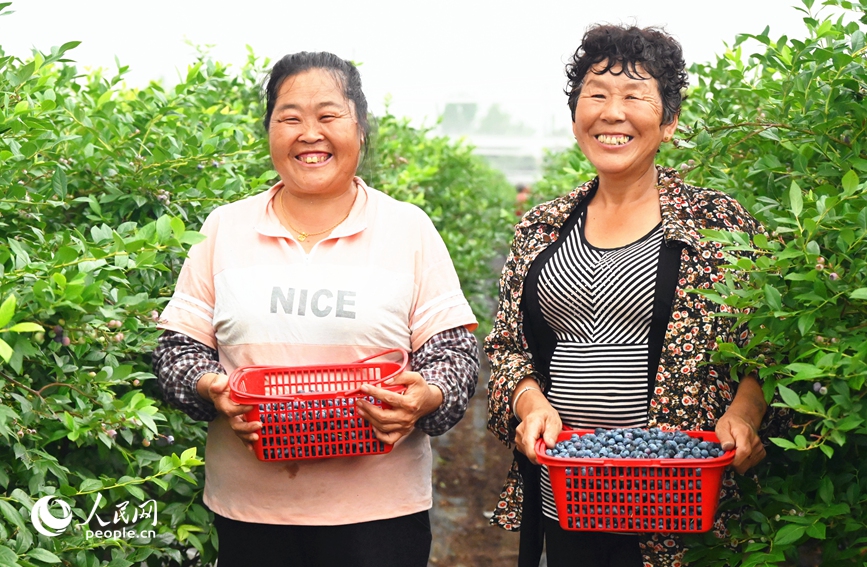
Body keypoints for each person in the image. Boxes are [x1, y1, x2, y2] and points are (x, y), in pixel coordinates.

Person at [152, 51, 479, 567]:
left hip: (379, 515)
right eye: (289, 118)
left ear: (360, 128)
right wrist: (212, 388)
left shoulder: (407, 229)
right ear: (269, 131)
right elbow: (176, 352)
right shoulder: (224, 228)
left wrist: (426, 397)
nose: (309, 134)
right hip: (251, 514)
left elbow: (455, 356)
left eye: (328, 116)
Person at [485, 25, 784, 567]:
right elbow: (508, 348)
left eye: (634, 96)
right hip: (569, 496)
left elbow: (769, 348)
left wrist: (745, 414)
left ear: (668, 121)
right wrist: (530, 405)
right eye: (596, 94)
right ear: (576, 114)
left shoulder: (718, 225)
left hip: (681, 503)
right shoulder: (541, 228)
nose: (611, 112)